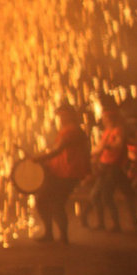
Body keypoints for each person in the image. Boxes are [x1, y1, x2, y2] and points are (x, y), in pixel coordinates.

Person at [33, 102, 90, 243]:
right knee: (43, 200)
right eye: (59, 116)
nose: (60, 119)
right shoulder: (67, 130)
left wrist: (39, 158)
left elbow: (58, 150)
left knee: (56, 203)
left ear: (70, 116)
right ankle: (50, 233)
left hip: (68, 173)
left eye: (63, 116)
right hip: (60, 172)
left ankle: (62, 236)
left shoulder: (72, 131)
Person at [89, 105, 137, 232]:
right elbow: (99, 148)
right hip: (105, 167)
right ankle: (102, 223)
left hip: (114, 167)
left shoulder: (118, 131)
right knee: (95, 195)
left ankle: (117, 224)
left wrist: (108, 146)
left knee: (106, 195)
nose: (103, 120)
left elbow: (118, 144)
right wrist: (90, 155)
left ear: (111, 118)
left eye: (105, 118)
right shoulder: (107, 132)